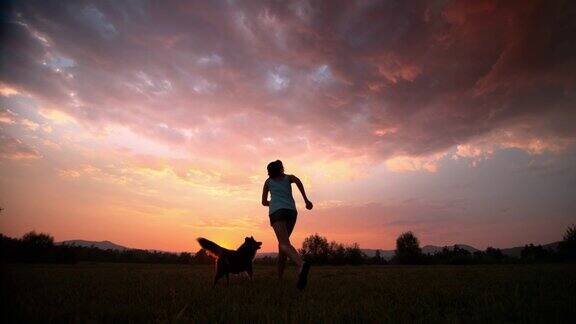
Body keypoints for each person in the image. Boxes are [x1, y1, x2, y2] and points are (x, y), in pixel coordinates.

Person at [261, 160, 313, 290]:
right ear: (281, 169)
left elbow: (263, 202)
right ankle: (279, 278)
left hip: (277, 213)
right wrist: (306, 200)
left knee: (284, 244)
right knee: (282, 246)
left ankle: (301, 264)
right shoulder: (288, 178)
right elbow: (298, 180)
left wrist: (273, 203)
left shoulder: (268, 182)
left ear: (270, 171)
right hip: (291, 212)